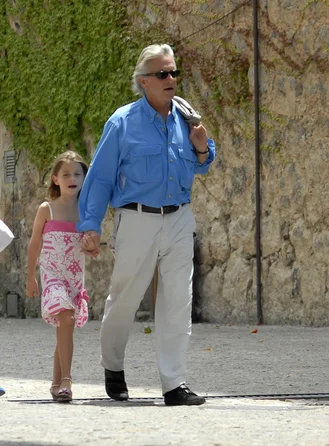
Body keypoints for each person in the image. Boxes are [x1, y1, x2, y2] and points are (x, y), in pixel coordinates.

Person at [78, 44, 215, 406]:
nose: (171, 79)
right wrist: (90, 225)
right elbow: (100, 179)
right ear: (144, 82)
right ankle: (113, 366)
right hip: (136, 218)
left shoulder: (186, 118)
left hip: (179, 217)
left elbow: (201, 164)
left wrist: (202, 148)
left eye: (173, 72)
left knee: (177, 301)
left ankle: (174, 383)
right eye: (162, 74)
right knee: (125, 299)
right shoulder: (122, 122)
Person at [26, 150, 90, 403]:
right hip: (52, 275)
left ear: (84, 178)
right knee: (67, 318)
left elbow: (92, 243)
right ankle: (67, 380)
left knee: (65, 325)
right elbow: (34, 244)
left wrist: (92, 246)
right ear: (55, 179)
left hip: (74, 278)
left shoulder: (87, 211)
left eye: (77, 174)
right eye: (66, 174)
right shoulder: (47, 209)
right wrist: (31, 277)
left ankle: (55, 384)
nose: (72, 178)